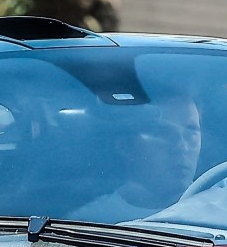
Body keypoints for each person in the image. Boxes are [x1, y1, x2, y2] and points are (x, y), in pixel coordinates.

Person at [72, 95, 202, 223]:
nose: (182, 147)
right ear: (125, 145)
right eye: (162, 133)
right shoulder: (87, 225)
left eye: (191, 131)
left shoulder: (219, 211)